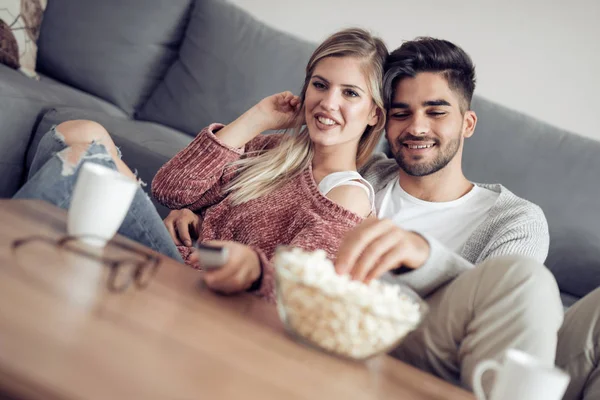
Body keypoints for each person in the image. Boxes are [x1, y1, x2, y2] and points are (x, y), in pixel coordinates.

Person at [14, 28, 388, 303]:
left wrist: (208, 249)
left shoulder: (345, 195)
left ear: (374, 113)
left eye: (350, 93)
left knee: (83, 150)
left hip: (193, 288)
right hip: (173, 256)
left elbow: (289, 288)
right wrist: (256, 118)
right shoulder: (271, 150)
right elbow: (171, 189)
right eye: (320, 85)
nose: (327, 102)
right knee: (81, 131)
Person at [332, 37, 600, 400]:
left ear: (468, 123)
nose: (417, 127)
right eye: (401, 113)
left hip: (484, 359)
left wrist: (424, 256)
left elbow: (508, 312)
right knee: (526, 279)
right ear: (382, 121)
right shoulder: (361, 175)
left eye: (436, 111)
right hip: (399, 339)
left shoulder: (515, 219)